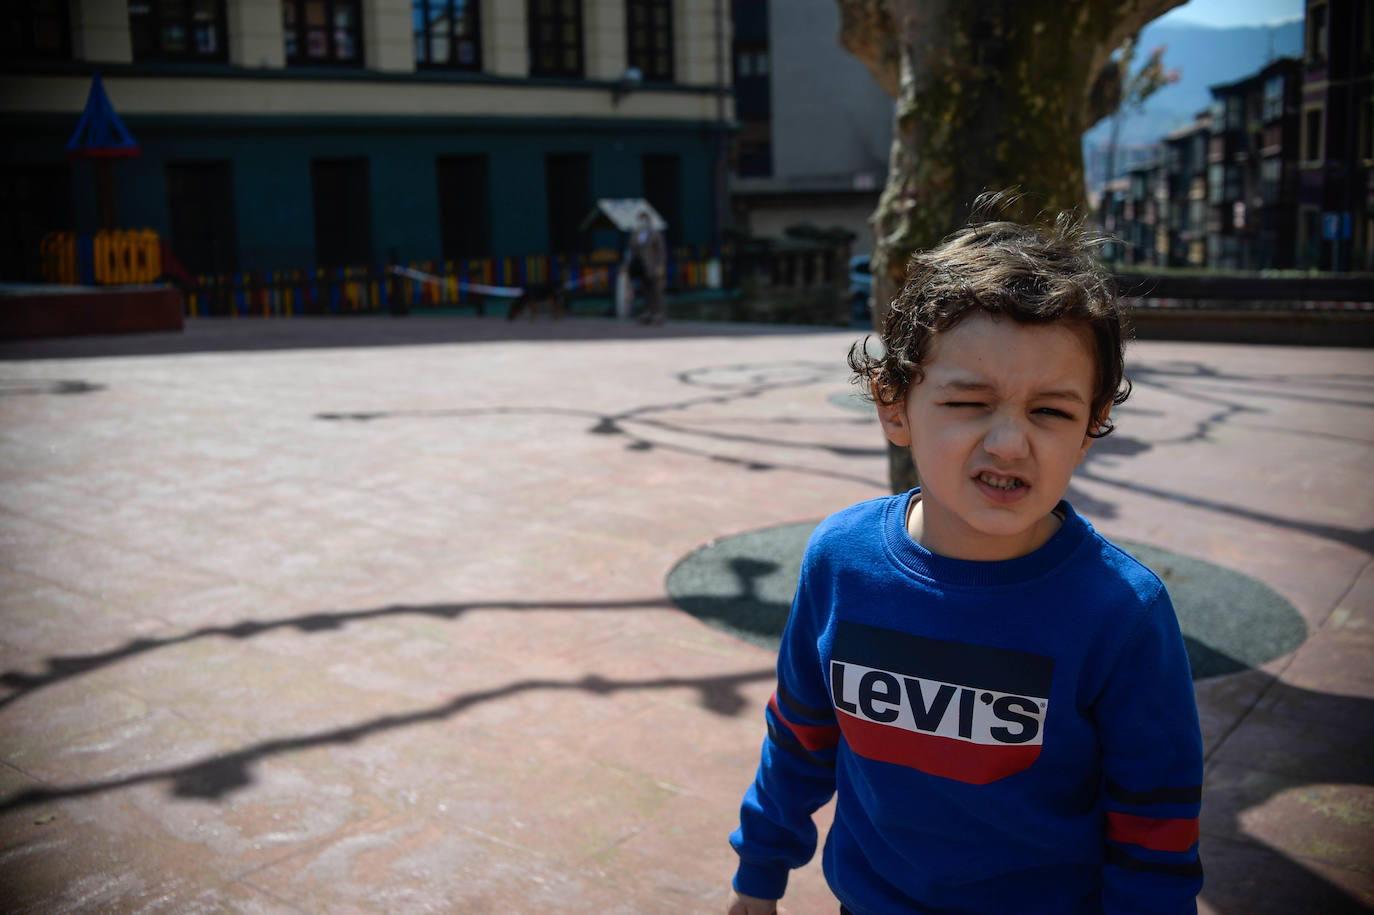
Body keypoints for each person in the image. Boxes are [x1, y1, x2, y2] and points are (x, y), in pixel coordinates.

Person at [726, 194, 1204, 915]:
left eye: (1051, 411)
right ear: (895, 405)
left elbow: (1155, 831)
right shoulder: (839, 562)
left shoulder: (1121, 614)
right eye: (968, 401)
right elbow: (798, 737)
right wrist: (757, 878)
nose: (1010, 441)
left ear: (1093, 424)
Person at [625, 209, 667, 324]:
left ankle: (658, 313)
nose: (642, 222)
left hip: (652, 266)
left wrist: (660, 266)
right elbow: (632, 250)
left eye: (644, 219)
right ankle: (648, 312)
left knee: (656, 291)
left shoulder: (655, 233)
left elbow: (661, 251)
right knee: (645, 290)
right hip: (641, 267)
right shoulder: (636, 234)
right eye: (641, 219)